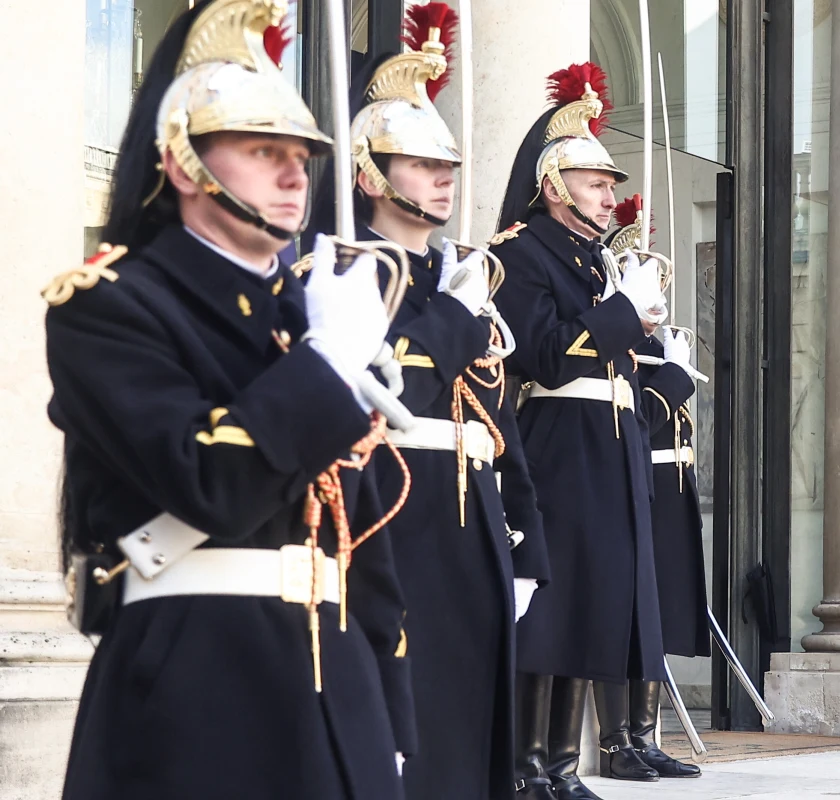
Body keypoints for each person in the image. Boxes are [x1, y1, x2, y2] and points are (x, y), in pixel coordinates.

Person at [46, 1, 412, 797]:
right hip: (197, 688)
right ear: (183, 164)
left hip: (337, 690)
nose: (293, 173)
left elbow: (363, 539)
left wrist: (390, 718)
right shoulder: (109, 307)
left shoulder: (308, 314)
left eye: (301, 153)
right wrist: (326, 364)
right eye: (261, 150)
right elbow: (212, 483)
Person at [309, 5, 550, 798]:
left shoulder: (459, 279)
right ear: (367, 172)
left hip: (473, 529)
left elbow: (497, 423)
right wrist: (451, 310)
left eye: (447, 165)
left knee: (474, 746)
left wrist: (527, 547)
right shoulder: (342, 277)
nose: (444, 177)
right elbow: (400, 386)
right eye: (420, 164)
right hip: (396, 525)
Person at [491, 62, 671, 800]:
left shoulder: (594, 259)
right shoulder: (523, 251)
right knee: (554, 607)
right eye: (596, 183)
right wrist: (623, 312)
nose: (609, 195)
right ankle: (530, 766)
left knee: (593, 601)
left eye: (607, 184)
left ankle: (562, 765)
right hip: (560, 436)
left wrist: (637, 313)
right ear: (556, 185)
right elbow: (542, 352)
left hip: (611, 438)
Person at [592, 196, 705, 780]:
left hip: (667, 493)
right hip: (636, 481)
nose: (654, 289)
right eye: (638, 271)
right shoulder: (622, 345)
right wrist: (675, 382)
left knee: (653, 619)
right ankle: (616, 740)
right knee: (622, 617)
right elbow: (644, 419)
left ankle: (644, 733)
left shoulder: (656, 346)